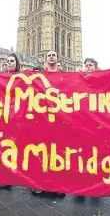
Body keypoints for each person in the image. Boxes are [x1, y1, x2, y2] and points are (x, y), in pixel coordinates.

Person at [32, 50, 65, 197]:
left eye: (54, 55)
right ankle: (39, 184)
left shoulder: (65, 76)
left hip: (59, 120)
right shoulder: (40, 76)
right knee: (42, 151)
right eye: (49, 55)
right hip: (42, 120)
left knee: (58, 153)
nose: (51, 57)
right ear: (45, 59)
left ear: (58, 59)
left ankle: (57, 185)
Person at [0, 53, 21, 188]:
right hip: (1, 116)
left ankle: (8, 179)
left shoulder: (20, 78)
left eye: (12, 61)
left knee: (11, 148)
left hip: (14, 117)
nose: (9, 63)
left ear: (17, 63)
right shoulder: (0, 77)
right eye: (7, 61)